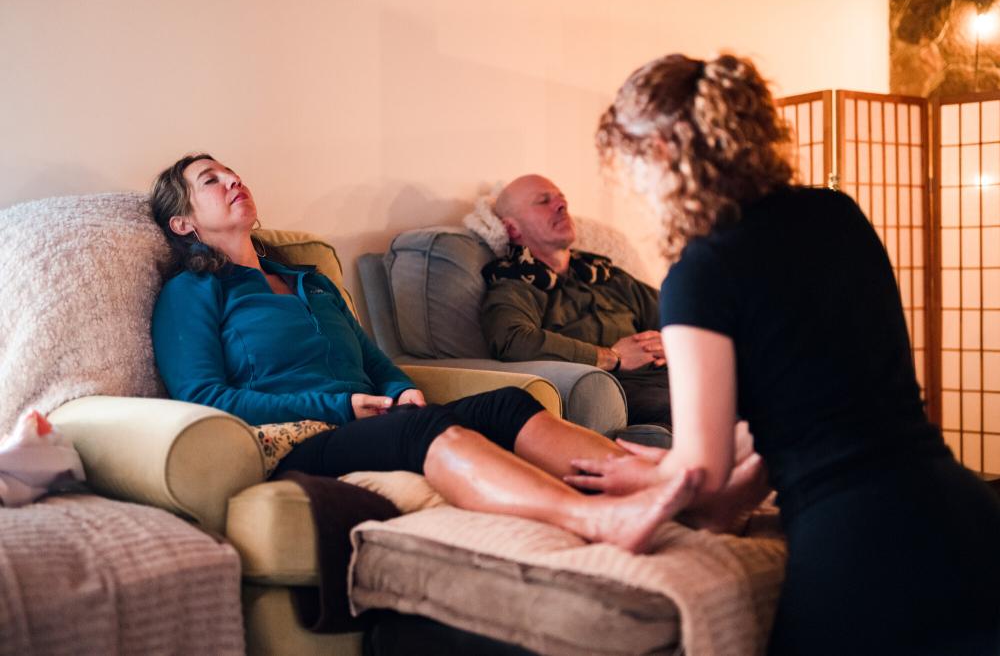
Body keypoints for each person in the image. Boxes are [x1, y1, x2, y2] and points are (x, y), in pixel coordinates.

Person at [570, 53, 1000, 653]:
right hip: (963, 513)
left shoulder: (700, 274)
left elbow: (701, 465)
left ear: (664, 153)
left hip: (857, 548)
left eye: (633, 164)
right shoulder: (837, 213)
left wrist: (642, 474)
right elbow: (803, 404)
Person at [148, 153, 703, 555]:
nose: (232, 179)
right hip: (298, 441)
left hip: (366, 419)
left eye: (231, 171)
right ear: (184, 223)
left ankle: (667, 486)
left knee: (506, 404)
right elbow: (203, 396)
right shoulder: (192, 293)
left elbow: (374, 359)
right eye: (210, 180)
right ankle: (598, 518)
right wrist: (341, 408)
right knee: (422, 429)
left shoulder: (309, 281)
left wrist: (398, 390)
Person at [479, 174, 672, 429]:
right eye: (543, 201)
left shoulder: (605, 274)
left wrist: (674, 343)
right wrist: (612, 357)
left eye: (562, 199)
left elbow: (675, 317)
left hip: (671, 377)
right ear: (513, 229)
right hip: (620, 392)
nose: (561, 205)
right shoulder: (515, 281)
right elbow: (513, 340)